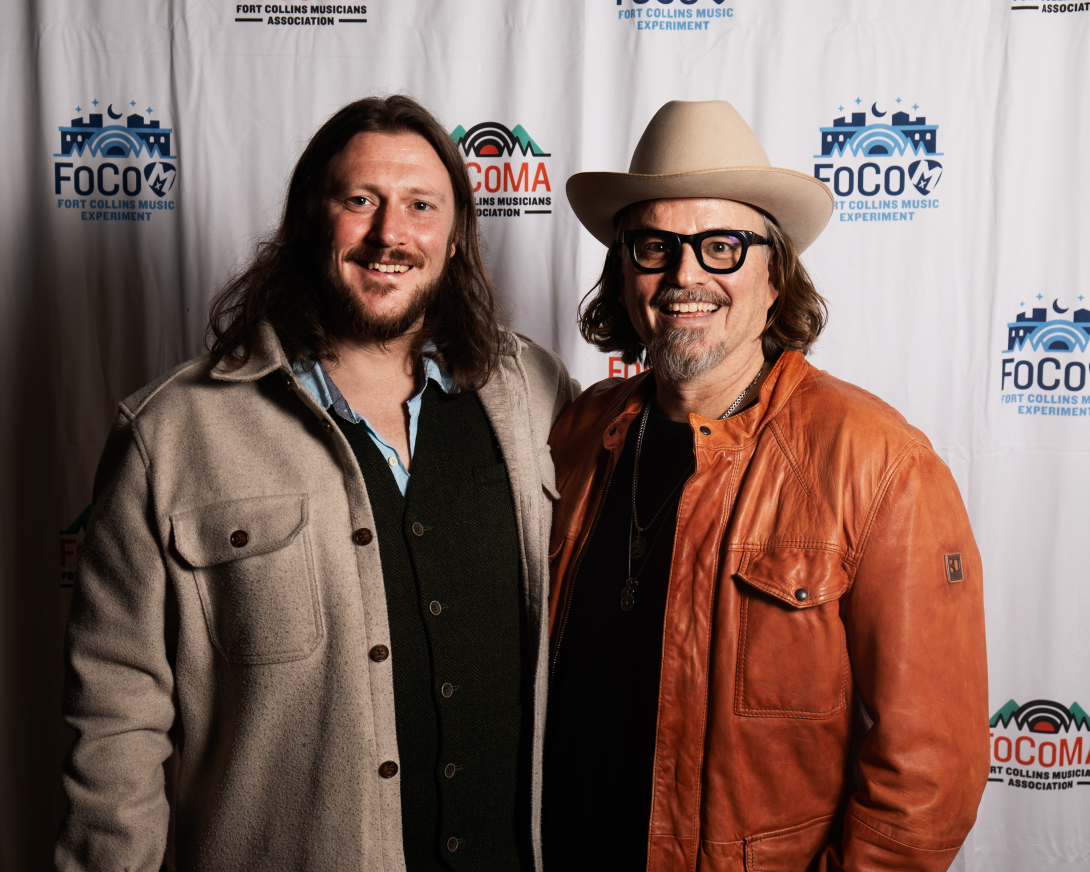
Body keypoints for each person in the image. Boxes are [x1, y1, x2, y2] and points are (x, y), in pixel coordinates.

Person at [56, 95, 577, 872]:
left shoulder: (536, 391)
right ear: (310, 219)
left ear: (456, 233)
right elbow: (114, 717)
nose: (389, 235)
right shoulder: (172, 435)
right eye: (360, 200)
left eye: (420, 206)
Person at [543, 100, 988, 872]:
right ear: (625, 272)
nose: (685, 276)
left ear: (775, 273)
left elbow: (925, 782)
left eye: (722, 246)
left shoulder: (880, 465)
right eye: (655, 246)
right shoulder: (578, 434)